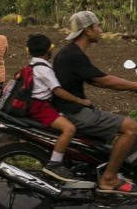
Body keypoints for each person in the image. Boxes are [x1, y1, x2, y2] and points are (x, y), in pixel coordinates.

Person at [52, 11, 137, 196]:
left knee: (110, 129)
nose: (100, 30)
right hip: (72, 112)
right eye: (97, 26)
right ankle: (109, 179)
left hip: (70, 108)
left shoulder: (71, 52)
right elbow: (102, 80)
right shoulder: (73, 55)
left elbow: (96, 79)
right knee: (131, 127)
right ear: (88, 30)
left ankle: (100, 170)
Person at [25, 34, 93, 182]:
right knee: (69, 129)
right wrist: (79, 100)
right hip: (40, 108)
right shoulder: (45, 69)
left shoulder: (33, 66)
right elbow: (57, 90)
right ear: (48, 51)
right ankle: (54, 164)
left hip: (37, 105)